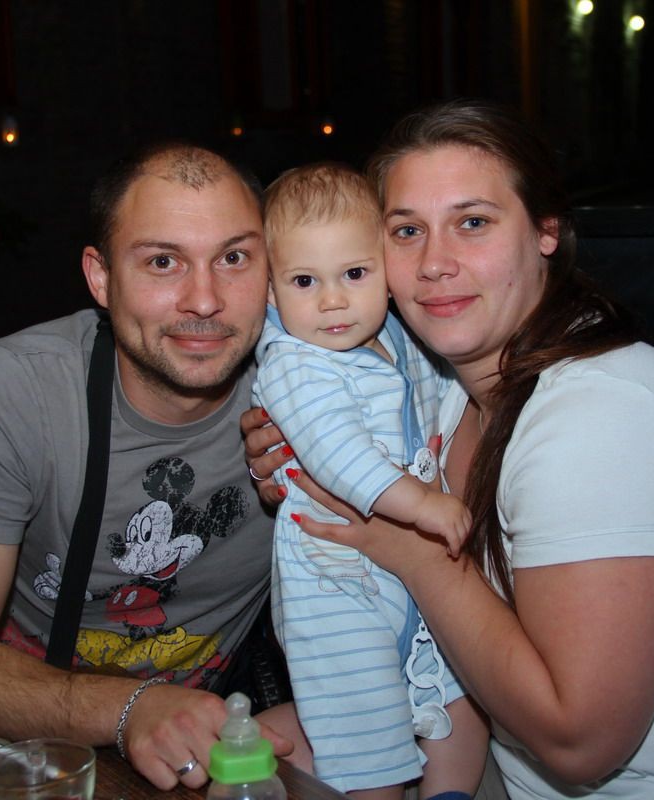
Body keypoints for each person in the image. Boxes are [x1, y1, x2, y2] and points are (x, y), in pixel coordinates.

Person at [247, 100, 654, 797]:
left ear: (546, 231)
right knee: (236, 757)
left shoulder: (597, 421)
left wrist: (414, 551)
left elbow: (579, 747)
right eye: (407, 230)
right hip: (499, 742)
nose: (435, 263)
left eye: (472, 222)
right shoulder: (445, 385)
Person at [0, 143, 302, 792]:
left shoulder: (318, 394)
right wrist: (129, 709)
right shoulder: (22, 390)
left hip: (214, 742)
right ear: (101, 277)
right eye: (162, 261)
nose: (204, 300)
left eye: (233, 258)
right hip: (30, 749)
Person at [251, 163, 488, 798]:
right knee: (362, 724)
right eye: (305, 281)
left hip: (404, 565)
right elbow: (337, 455)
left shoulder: (395, 338)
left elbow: (444, 396)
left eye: (354, 274)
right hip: (335, 579)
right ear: (271, 292)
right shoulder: (294, 364)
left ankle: (450, 792)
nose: (332, 300)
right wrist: (422, 505)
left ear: (386, 269)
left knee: (461, 689)